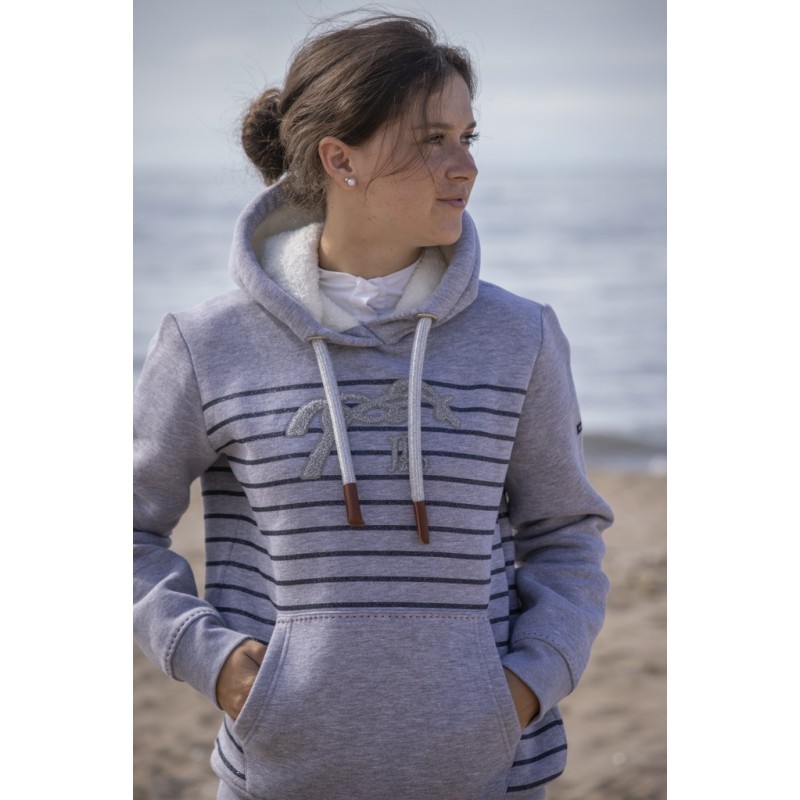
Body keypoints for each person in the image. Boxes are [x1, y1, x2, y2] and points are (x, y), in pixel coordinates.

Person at [133, 11, 613, 800]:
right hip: (281, 775)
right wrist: (211, 659)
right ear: (339, 158)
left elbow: (564, 533)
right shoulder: (207, 344)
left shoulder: (521, 337)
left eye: (468, 137)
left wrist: (527, 684)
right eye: (433, 140)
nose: (465, 166)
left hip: (486, 772)